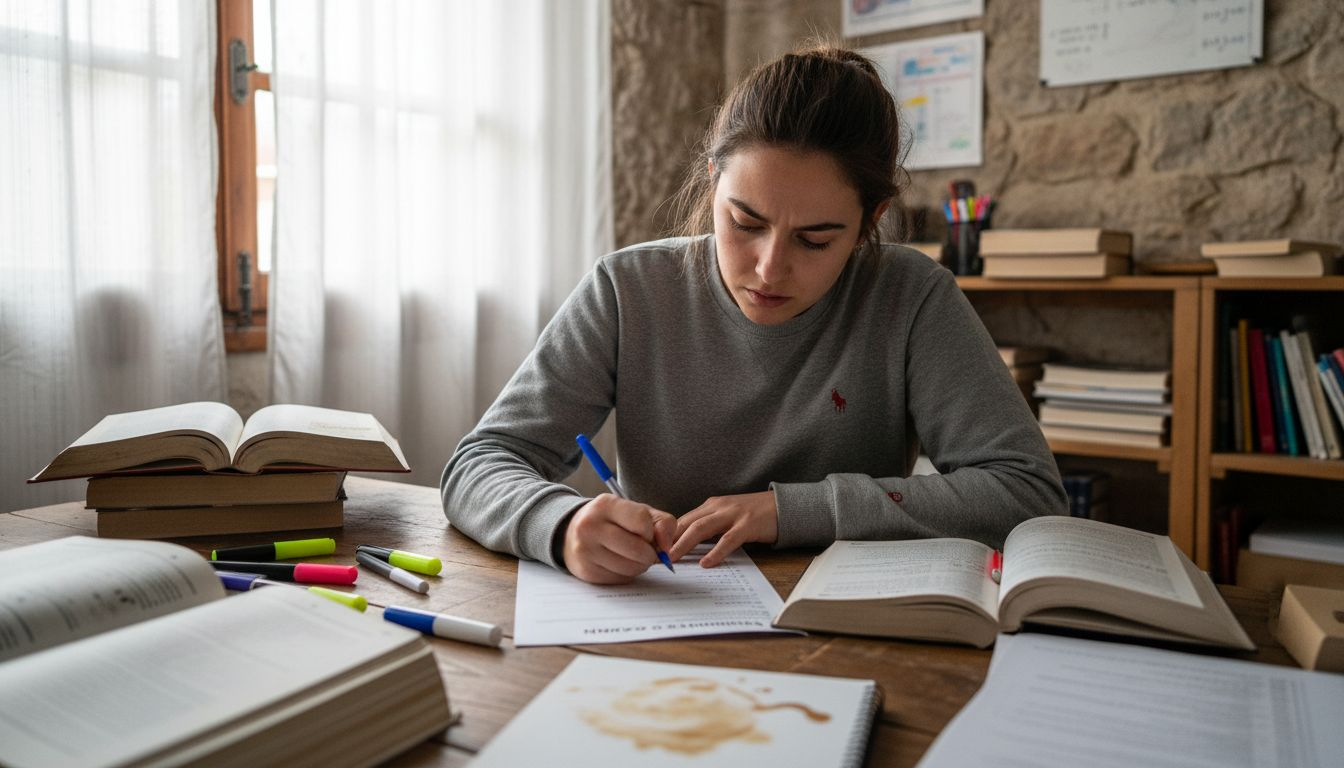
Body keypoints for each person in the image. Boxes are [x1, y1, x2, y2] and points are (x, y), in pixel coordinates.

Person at [442, 45, 1066, 585]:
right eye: (745, 223)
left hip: (854, 622)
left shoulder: (912, 295)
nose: (769, 270)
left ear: (872, 218)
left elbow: (1025, 492)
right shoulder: (627, 288)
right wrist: (562, 524)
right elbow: (480, 464)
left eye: (816, 240)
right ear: (713, 180)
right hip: (661, 610)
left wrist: (790, 511)